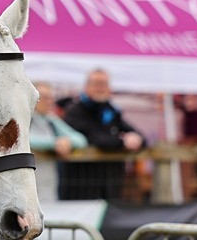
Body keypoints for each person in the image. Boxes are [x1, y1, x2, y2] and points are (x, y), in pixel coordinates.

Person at [59, 69, 145, 201]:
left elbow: (137, 134)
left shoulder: (111, 110)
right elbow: (96, 138)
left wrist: (136, 139)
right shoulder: (75, 110)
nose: (100, 88)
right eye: (96, 84)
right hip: (83, 185)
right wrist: (122, 142)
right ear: (87, 87)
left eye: (104, 84)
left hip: (111, 183)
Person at [28, 82, 87, 204]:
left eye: (51, 98)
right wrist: (54, 144)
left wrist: (67, 142)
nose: (49, 101)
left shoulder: (51, 120)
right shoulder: (24, 119)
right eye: (44, 97)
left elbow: (81, 140)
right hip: (26, 183)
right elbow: (23, 140)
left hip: (49, 184)